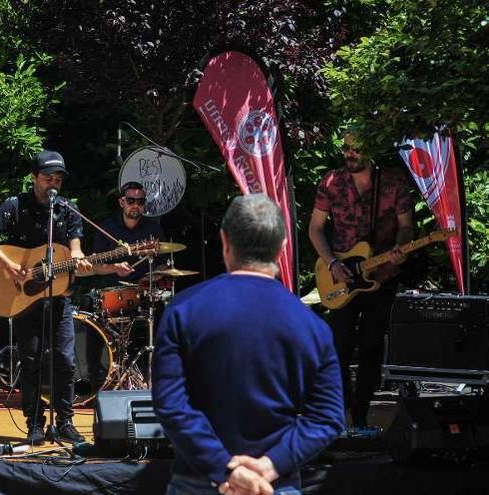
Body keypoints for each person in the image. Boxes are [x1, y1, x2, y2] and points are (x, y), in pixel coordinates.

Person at [153, 194, 345, 495]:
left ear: (224, 241)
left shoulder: (183, 310)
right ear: (282, 248)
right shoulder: (312, 327)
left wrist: (226, 468)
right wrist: (270, 465)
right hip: (274, 483)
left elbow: (171, 406)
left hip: (198, 481)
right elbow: (328, 418)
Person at [0, 150, 91, 445]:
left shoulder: (67, 209)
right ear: (34, 178)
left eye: (58, 179)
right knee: (31, 360)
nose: (53, 183)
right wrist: (7, 265)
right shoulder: (15, 206)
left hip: (59, 296)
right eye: (47, 177)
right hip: (25, 298)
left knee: (65, 359)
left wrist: (77, 256)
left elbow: (75, 247)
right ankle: (35, 423)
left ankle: (65, 421)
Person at [308, 132, 414, 428]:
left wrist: (400, 248)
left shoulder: (392, 181)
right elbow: (315, 228)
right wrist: (331, 263)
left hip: (382, 276)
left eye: (356, 149)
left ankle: (362, 415)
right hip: (340, 277)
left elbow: (407, 227)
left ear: (370, 151)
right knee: (338, 346)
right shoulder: (332, 182)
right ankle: (341, 413)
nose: (350, 154)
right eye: (346, 149)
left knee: (370, 346)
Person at [92, 181, 165, 283]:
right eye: (131, 201)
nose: (135, 205)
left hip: (145, 289)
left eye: (140, 202)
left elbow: (163, 263)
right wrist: (115, 268)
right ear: (122, 203)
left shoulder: (153, 228)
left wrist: (153, 277)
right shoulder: (107, 227)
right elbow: (96, 266)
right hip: (114, 290)